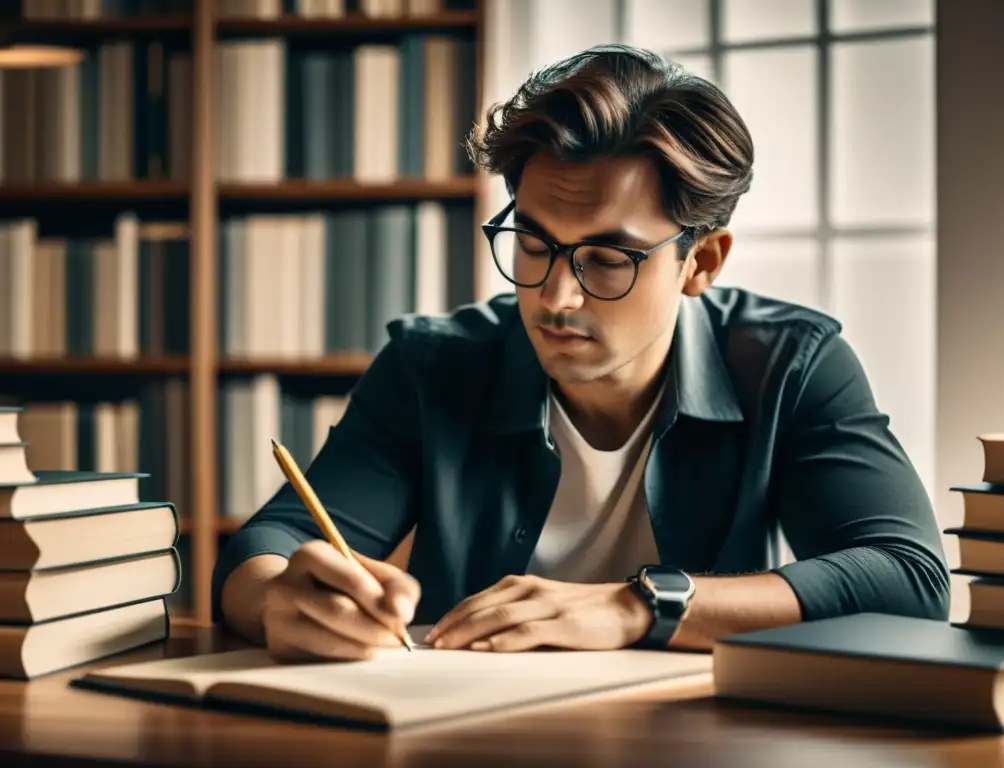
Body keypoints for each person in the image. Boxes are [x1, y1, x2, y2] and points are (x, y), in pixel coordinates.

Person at [213, 44, 950, 662]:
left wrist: (640, 607)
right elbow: (270, 543)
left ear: (702, 263)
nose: (556, 296)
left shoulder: (792, 364)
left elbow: (909, 581)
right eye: (533, 244)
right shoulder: (433, 366)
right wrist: (284, 600)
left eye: (606, 258)